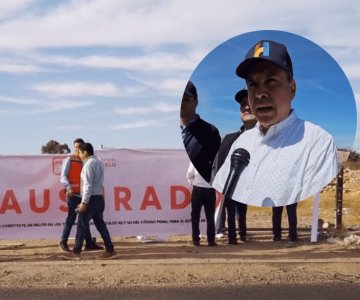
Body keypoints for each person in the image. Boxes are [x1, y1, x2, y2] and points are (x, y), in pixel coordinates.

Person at [213, 40, 339, 207]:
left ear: (292, 89)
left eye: (271, 80)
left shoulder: (318, 143)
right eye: (252, 84)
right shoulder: (241, 142)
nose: (259, 94)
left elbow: (311, 214)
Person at [216, 89, 257, 244]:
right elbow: (220, 166)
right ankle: (233, 237)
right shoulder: (229, 139)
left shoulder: (274, 138)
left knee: (242, 211)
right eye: (242, 105)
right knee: (231, 210)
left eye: (250, 103)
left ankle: (243, 234)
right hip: (231, 187)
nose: (246, 107)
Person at [59, 138, 102, 252]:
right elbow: (63, 176)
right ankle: (63, 242)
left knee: (84, 219)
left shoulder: (87, 161)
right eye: (76, 147)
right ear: (73, 147)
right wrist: (68, 187)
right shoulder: (69, 159)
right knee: (71, 218)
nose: (77, 149)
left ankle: (88, 243)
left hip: (84, 196)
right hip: (73, 195)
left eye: (79, 147)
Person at [72, 142, 115, 258]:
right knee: (101, 225)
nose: (79, 155)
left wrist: (84, 202)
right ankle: (110, 249)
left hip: (90, 199)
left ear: (85, 152)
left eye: (80, 152)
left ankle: (76, 252)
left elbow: (87, 185)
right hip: (99, 198)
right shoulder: (99, 162)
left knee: (81, 224)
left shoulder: (88, 165)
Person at [180, 80, 221, 183]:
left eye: (185, 99)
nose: (181, 103)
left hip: (196, 195)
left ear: (196, 102)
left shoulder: (210, 132)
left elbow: (217, 169)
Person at [187, 162, 217, 246]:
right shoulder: (215, 160)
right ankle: (211, 240)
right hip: (210, 190)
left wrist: (194, 184)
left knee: (195, 215)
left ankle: (196, 239)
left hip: (198, 189)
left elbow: (189, 174)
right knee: (210, 216)